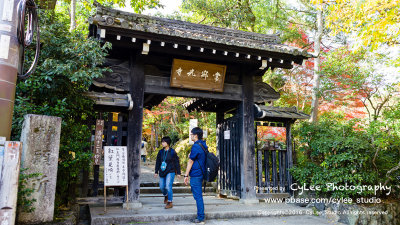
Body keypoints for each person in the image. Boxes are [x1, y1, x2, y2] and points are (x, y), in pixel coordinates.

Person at [184, 127, 207, 224]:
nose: (190, 136)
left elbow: (190, 162)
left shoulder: (196, 146)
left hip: (196, 174)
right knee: (198, 195)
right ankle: (200, 215)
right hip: (201, 173)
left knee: (198, 196)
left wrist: (186, 175)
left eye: (191, 134)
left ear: (196, 135)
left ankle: (201, 217)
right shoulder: (203, 145)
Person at [154, 136, 181, 209]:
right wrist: (156, 171)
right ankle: (166, 195)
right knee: (162, 187)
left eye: (164, 142)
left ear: (168, 143)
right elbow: (158, 162)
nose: (162, 143)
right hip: (162, 171)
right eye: (162, 142)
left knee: (168, 186)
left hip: (170, 171)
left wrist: (178, 172)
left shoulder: (172, 152)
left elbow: (176, 162)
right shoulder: (160, 152)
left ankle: (170, 202)